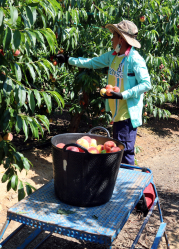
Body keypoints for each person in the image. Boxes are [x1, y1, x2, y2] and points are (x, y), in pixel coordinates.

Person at [56, 20, 152, 165]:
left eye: (114, 35)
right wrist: (69, 60)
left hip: (127, 114)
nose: (111, 39)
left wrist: (122, 95)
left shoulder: (134, 60)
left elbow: (146, 84)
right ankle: (121, 181)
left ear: (121, 38)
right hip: (117, 113)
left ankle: (125, 184)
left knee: (123, 153)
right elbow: (92, 62)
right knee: (118, 151)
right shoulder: (113, 56)